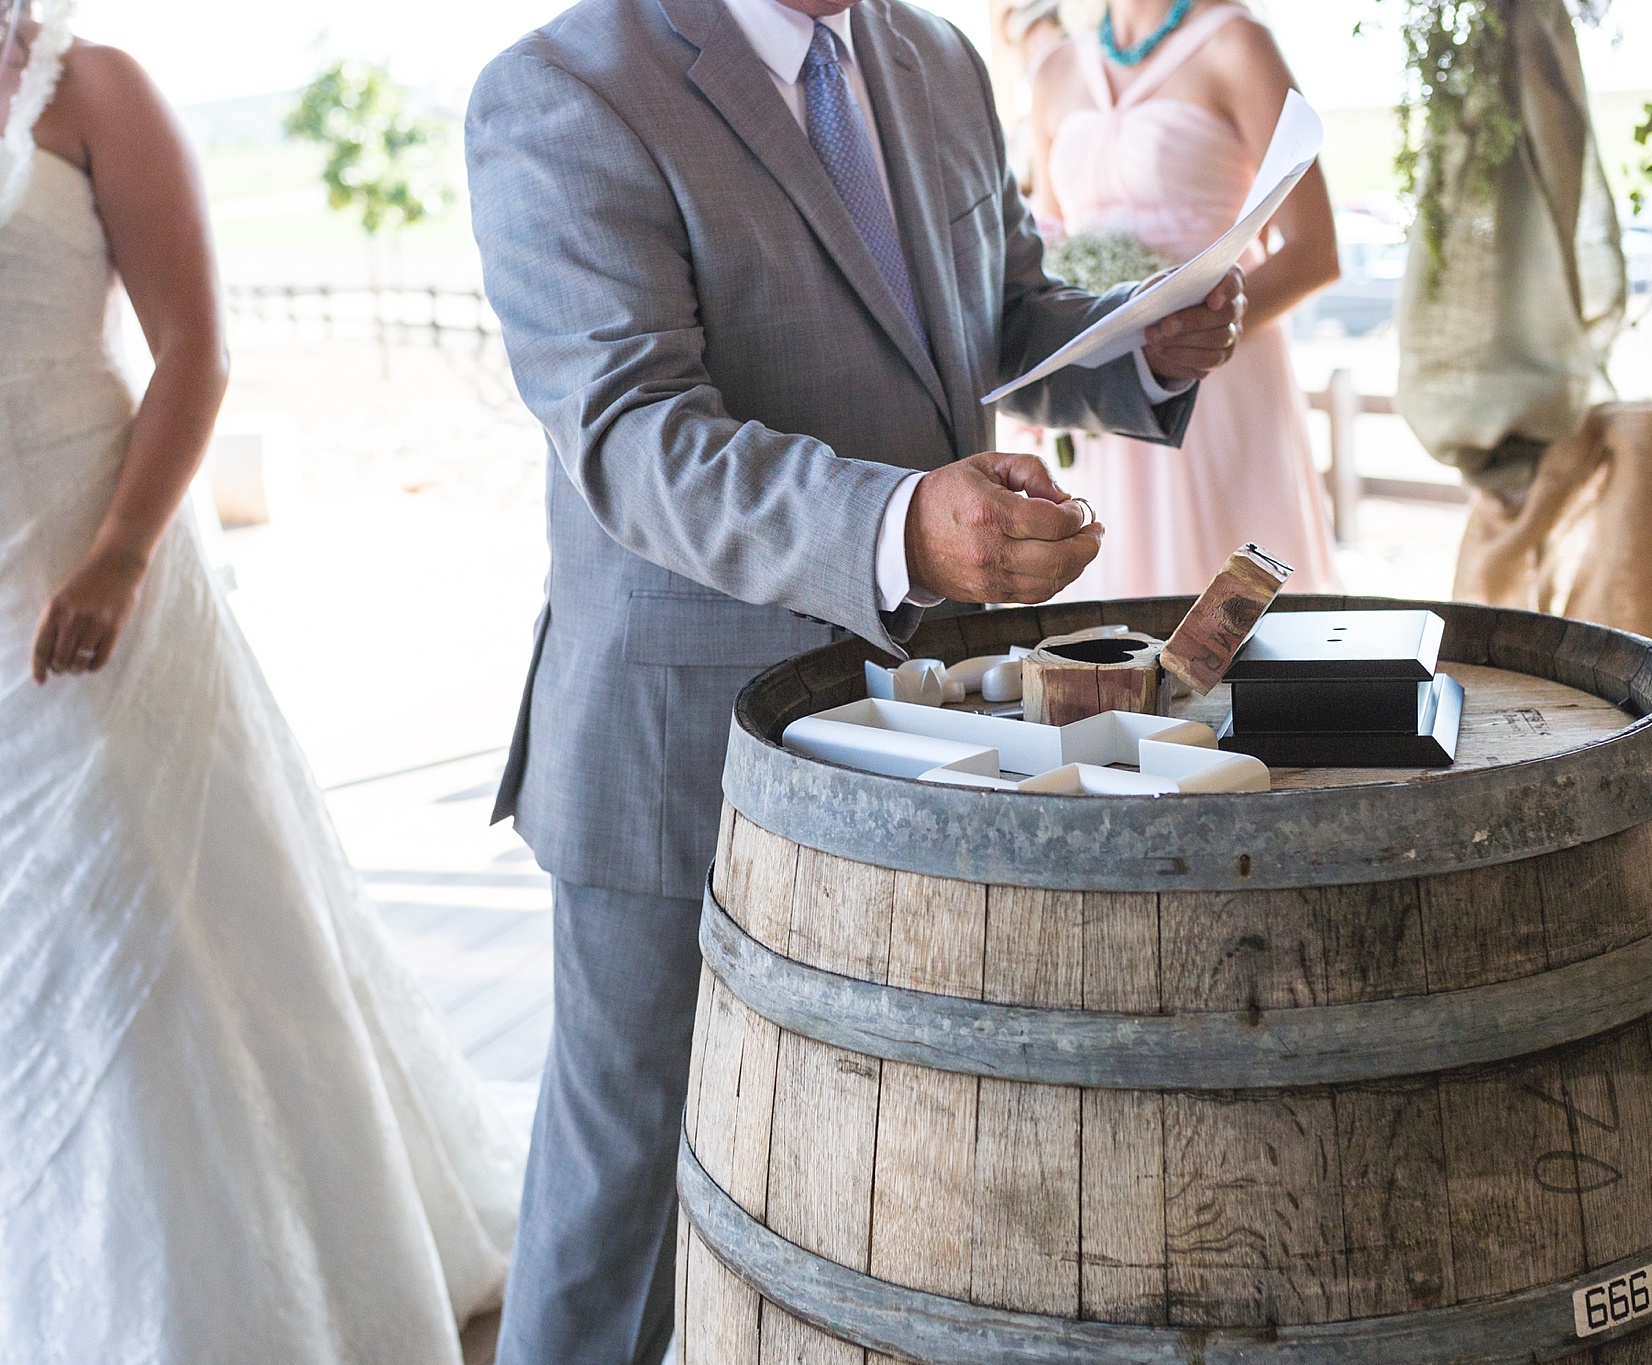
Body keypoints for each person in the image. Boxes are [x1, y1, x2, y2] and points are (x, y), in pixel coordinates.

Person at [462, 0, 1246, 1357]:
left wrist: (1138, 343)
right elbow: (636, 434)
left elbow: (987, 314)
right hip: (673, 750)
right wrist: (897, 526)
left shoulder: (935, 57)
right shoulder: (559, 91)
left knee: (869, 1165)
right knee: (623, 1191)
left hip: (909, 730)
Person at [0, 3, 523, 1359]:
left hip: (88, 571)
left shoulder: (87, 85)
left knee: (155, 920)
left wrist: (119, 554)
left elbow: (196, 349)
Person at [1031, 0, 1343, 597]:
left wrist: (1202, 323)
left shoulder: (1238, 45)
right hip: (1107, 400)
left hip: (1220, 381)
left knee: (1231, 625)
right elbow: (1049, 244)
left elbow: (1316, 250)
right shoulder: (1055, 71)